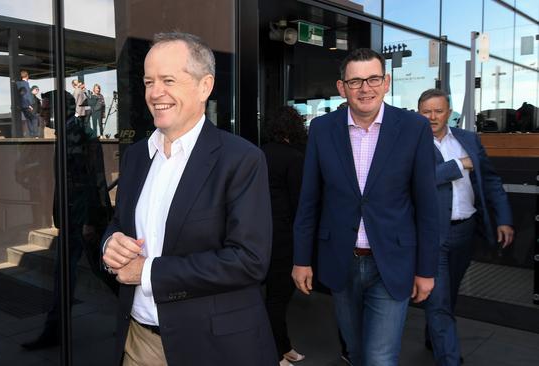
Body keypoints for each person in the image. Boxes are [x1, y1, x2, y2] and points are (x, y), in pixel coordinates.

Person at [101, 32, 277, 366]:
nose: (155, 93)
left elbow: (248, 260)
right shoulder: (137, 156)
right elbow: (118, 224)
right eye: (148, 81)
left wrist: (148, 272)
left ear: (204, 86)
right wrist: (110, 244)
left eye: (168, 80)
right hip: (138, 341)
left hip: (211, 346)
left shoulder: (240, 159)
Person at [292, 48, 439, 366]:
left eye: (373, 78)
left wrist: (426, 269)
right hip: (341, 260)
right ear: (341, 87)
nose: (365, 88)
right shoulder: (321, 129)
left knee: (379, 357)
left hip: (391, 261)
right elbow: (309, 200)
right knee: (356, 352)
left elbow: (428, 206)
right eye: (355, 81)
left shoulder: (413, 128)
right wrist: (301, 260)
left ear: (386, 82)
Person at [417, 89, 514, 366]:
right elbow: (420, 180)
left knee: (448, 294)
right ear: (418, 114)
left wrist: (504, 219)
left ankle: (433, 334)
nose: (433, 117)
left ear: (449, 113)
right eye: (427, 112)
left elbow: (491, 181)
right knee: (438, 300)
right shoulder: (412, 145)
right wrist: (459, 165)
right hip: (432, 234)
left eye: (438, 111)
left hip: (465, 231)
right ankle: (450, 360)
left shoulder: (469, 139)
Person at [21, 91, 115, 350]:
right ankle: (54, 330)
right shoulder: (66, 134)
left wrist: (88, 221)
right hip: (73, 215)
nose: (40, 113)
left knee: (104, 272)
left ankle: (139, 318)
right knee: (68, 273)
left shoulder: (81, 134)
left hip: (82, 218)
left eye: (45, 108)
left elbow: (93, 179)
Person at [261, 106, 307, 366]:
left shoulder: (258, 152)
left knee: (270, 296)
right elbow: (300, 203)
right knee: (278, 298)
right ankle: (275, 354)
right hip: (284, 237)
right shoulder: (294, 158)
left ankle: (283, 346)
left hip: (259, 235)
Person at [16, 70, 37, 137]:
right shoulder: (25, 84)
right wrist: (29, 105)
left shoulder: (18, 84)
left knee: (28, 119)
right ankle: (35, 134)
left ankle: (32, 134)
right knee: (34, 119)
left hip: (22, 105)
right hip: (27, 105)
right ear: (27, 76)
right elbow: (26, 95)